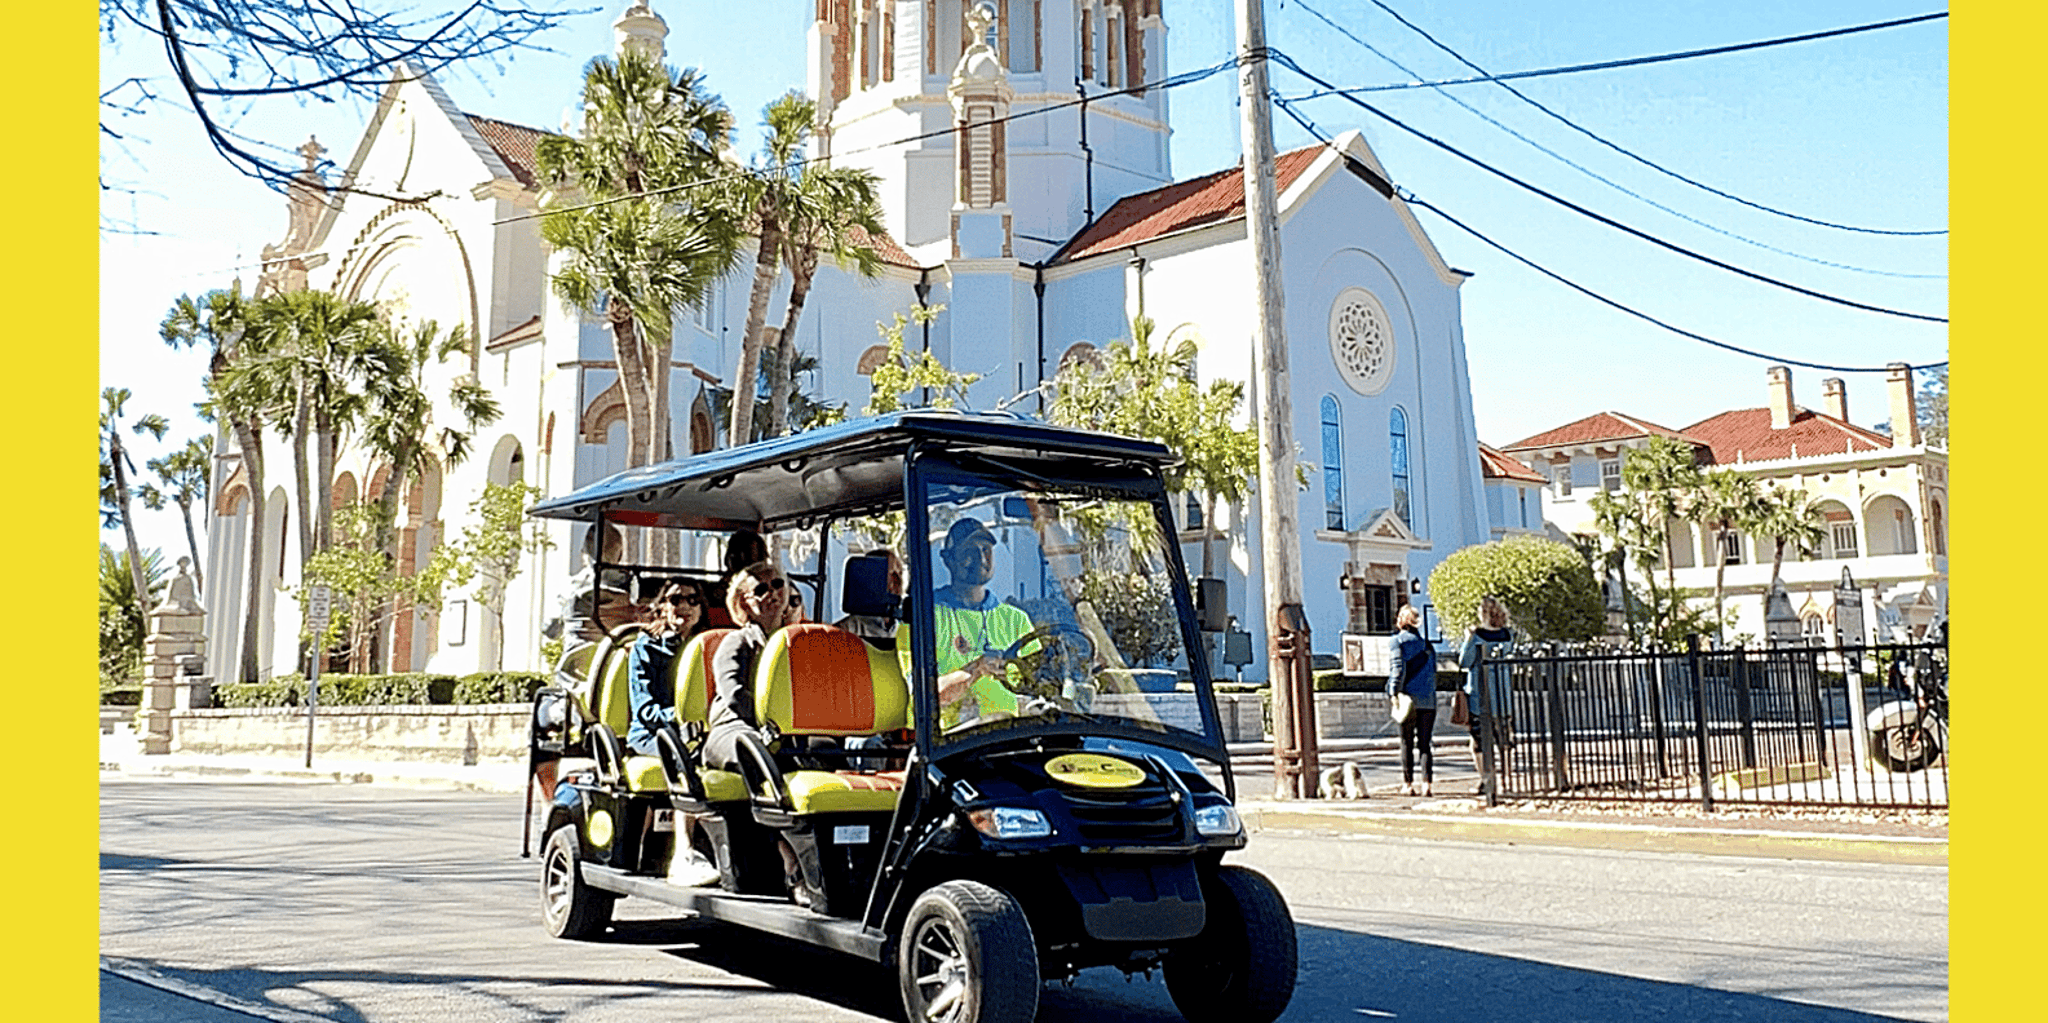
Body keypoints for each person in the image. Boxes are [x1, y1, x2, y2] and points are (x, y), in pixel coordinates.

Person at [927, 517, 1037, 729]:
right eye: (969, 551)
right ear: (948, 559)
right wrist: (977, 668)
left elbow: (1039, 684)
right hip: (947, 744)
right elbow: (924, 695)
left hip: (1008, 740)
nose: (980, 558)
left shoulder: (1016, 620)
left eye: (986, 549)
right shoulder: (926, 618)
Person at [625, 580, 708, 757]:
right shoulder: (645, 648)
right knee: (685, 756)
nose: (685, 606)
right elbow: (645, 710)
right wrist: (683, 718)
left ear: (701, 608)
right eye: (675, 599)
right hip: (652, 735)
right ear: (662, 607)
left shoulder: (709, 647)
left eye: (693, 600)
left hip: (701, 732)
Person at [1458, 594, 1516, 775]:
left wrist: (1468, 639)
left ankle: (1486, 778)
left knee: (1478, 742)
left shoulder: (1476, 636)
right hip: (1503, 695)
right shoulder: (1507, 636)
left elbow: (1464, 662)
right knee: (1504, 741)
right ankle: (1506, 777)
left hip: (1479, 696)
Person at [1386, 604, 1438, 797]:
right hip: (1428, 700)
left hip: (1408, 700)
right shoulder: (1428, 645)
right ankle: (1427, 784)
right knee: (1425, 744)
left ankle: (1408, 784)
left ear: (1401, 620)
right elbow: (1434, 673)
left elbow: (1397, 670)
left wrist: (1393, 692)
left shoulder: (1396, 642)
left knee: (1406, 743)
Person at [835, 548, 904, 644]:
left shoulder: (904, 630)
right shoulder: (849, 628)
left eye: (899, 573)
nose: (898, 581)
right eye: (891, 574)